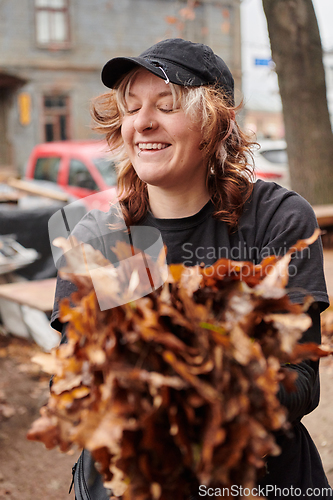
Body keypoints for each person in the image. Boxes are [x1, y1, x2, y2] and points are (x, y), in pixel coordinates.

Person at [50, 38, 331, 499]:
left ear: (215, 124)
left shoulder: (273, 219)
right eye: (132, 106)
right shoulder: (104, 235)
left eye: (168, 105)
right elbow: (71, 381)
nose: (142, 122)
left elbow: (300, 380)